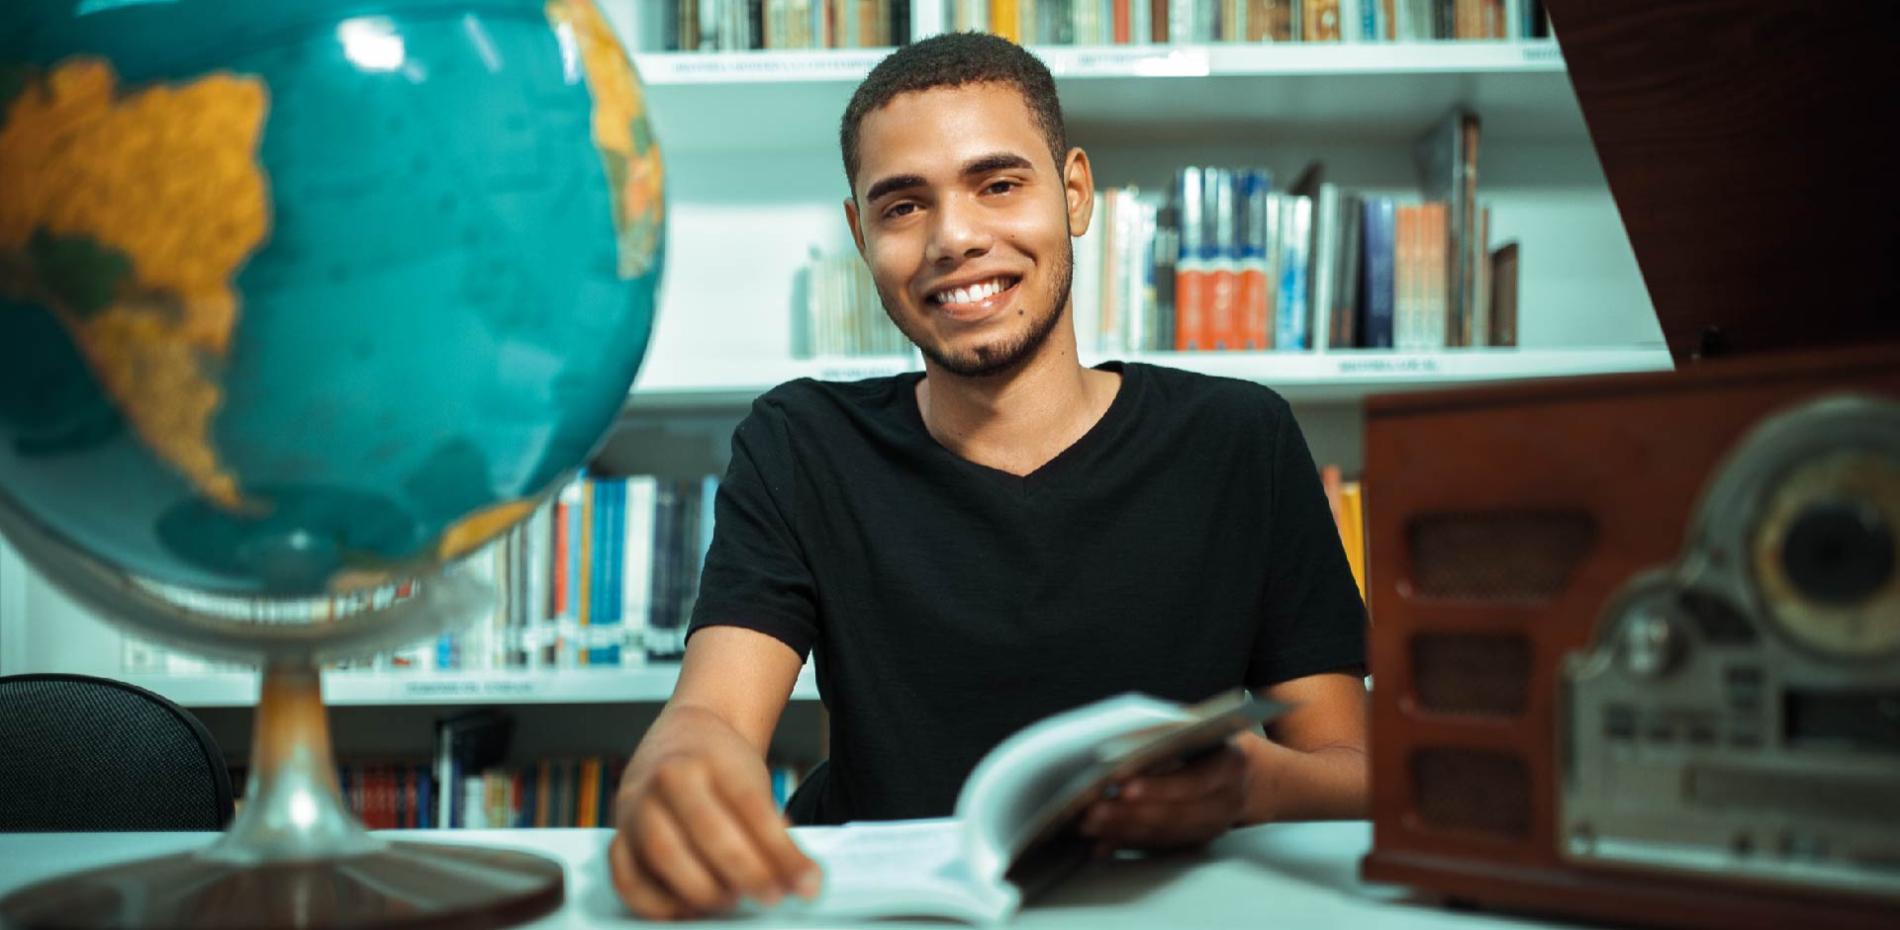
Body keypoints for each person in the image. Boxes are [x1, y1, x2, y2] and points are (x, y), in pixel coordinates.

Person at [608, 32, 1369, 921]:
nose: (955, 238)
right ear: (861, 235)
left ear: (1075, 192)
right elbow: (715, 719)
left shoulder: (1241, 438)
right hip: (881, 909)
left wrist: (1251, 788)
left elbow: (1351, 769)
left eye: (998, 184)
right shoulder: (800, 442)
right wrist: (671, 781)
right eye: (902, 206)